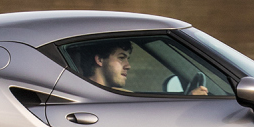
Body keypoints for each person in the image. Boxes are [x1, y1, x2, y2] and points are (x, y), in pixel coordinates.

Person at [80, 40, 208, 95]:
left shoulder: (116, 95)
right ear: (100, 60)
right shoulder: (86, 95)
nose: (128, 66)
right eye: (121, 57)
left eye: (127, 59)